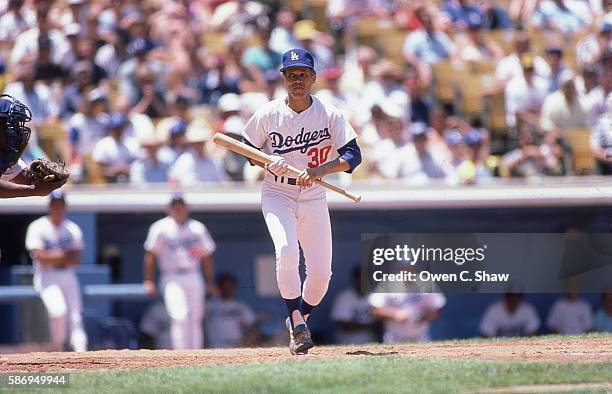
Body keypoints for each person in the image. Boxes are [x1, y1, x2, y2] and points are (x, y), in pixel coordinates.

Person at [240, 48, 362, 355]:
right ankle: (296, 319)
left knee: (321, 275)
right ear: (283, 78)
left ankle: (299, 320)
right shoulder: (268, 113)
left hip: (313, 192)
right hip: (277, 192)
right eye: (291, 75)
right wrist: (268, 161)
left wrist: (320, 170)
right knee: (286, 251)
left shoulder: (328, 113)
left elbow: (352, 155)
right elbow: (245, 148)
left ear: (313, 78)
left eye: (303, 74)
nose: (297, 80)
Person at [143, 194, 218, 350]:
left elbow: (206, 257)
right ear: (169, 209)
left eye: (181, 205)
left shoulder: (197, 227)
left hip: (193, 274)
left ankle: (196, 354)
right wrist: (148, 280)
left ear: (186, 208)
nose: (179, 209)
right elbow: (151, 254)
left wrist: (210, 282)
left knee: (196, 319)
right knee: (179, 317)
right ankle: (181, 354)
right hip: (171, 276)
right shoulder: (160, 228)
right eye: (175, 206)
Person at [25, 190, 88, 351]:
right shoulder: (38, 226)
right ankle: (58, 351)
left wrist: (54, 256)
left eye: (61, 205)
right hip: (47, 276)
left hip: (67, 275)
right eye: (55, 205)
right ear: (49, 206)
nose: (58, 208)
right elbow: (40, 257)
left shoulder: (72, 229)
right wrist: (63, 256)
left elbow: (76, 259)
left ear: (65, 207)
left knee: (75, 318)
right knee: (58, 312)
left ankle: (82, 355)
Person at [0, 94, 65, 198]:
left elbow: (25, 178)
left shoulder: (6, 154)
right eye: (12, 123)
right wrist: (33, 190)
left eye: (18, 124)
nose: (17, 131)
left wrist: (43, 178)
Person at [206, 274, 258, 348]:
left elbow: (253, 325)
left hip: (236, 344)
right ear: (219, 287)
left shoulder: (240, 306)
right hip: (215, 345)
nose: (227, 290)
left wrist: (248, 341)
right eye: (225, 287)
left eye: (230, 287)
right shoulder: (210, 305)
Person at [330, 267, 377, 345]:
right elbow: (344, 325)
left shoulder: (374, 296)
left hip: (370, 343)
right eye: (361, 278)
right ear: (355, 279)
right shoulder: (344, 297)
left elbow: (380, 324)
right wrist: (369, 326)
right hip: (346, 344)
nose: (364, 282)